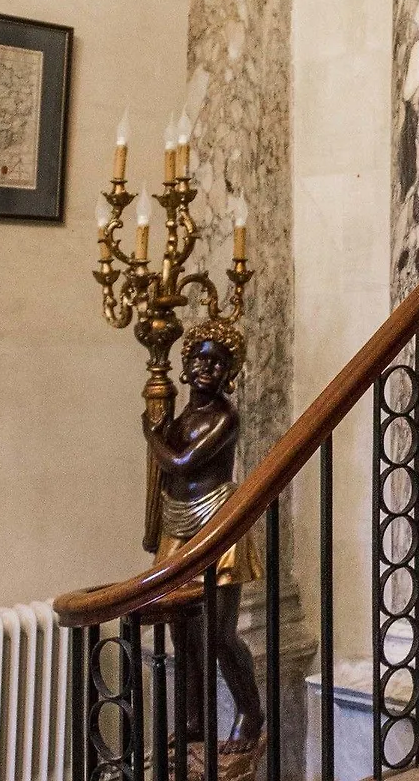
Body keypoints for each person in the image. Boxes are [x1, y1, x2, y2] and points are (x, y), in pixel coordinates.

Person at [148, 319, 265, 752]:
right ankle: (195, 717)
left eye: (217, 363)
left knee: (218, 633)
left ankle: (250, 712)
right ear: (185, 365)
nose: (205, 369)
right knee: (181, 631)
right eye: (198, 360)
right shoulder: (181, 415)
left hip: (217, 522)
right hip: (176, 522)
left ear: (229, 374)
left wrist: (151, 436)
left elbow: (181, 463)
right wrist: (160, 427)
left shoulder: (225, 417)